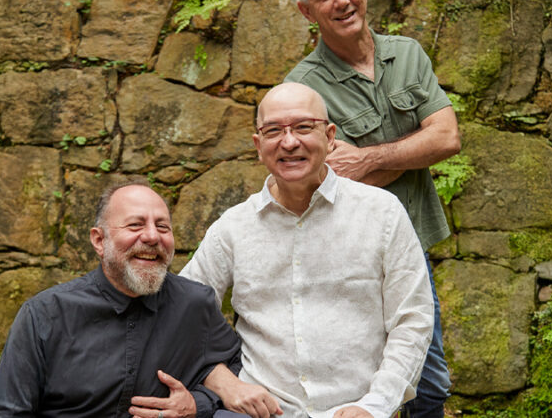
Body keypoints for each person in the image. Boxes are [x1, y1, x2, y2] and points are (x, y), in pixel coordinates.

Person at [180, 83, 434, 418]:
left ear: (330, 137)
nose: (289, 142)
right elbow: (180, 316)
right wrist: (226, 385)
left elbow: (412, 320)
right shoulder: (234, 227)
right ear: (258, 146)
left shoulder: (382, 213)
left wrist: (374, 406)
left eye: (303, 127)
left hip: (356, 410)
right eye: (274, 131)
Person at [284, 0, 462, 416]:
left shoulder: (406, 54)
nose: (341, 0)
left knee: (428, 377)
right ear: (308, 11)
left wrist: (367, 158)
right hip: (344, 254)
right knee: (357, 376)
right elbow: (328, 184)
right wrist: (413, 148)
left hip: (410, 246)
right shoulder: (303, 90)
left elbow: (447, 139)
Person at [0, 183, 243, 418]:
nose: (152, 237)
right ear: (99, 240)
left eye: (163, 227)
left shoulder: (194, 304)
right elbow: (7, 413)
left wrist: (200, 402)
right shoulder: (44, 315)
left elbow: (238, 363)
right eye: (135, 225)